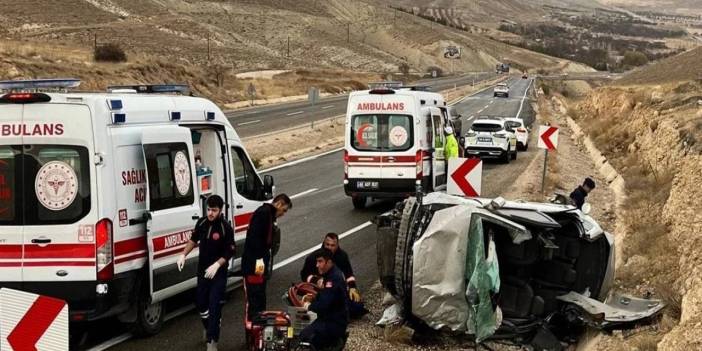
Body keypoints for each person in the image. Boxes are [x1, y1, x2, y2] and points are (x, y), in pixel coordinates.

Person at [176, 195, 235, 351]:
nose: (210, 213)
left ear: (220, 210)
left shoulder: (225, 228)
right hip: (203, 271)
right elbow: (193, 240)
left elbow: (229, 251)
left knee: (214, 305)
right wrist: (183, 254)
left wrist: (217, 265)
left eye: (214, 210)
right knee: (201, 304)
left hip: (218, 273)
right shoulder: (201, 223)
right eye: (208, 209)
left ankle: (212, 341)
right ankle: (209, 326)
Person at [241, 194, 292, 321]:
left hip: (259, 263)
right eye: (284, 210)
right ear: (279, 204)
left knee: (259, 294)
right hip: (254, 263)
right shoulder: (264, 214)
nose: (283, 214)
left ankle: (259, 321)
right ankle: (254, 325)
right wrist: (259, 264)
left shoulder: (268, 214)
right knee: (255, 296)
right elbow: (255, 240)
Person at [300, 233, 367, 318]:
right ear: (324, 244)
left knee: (357, 307)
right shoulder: (313, 258)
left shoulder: (342, 256)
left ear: (337, 245)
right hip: (318, 290)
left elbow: (349, 274)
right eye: (327, 244)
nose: (329, 247)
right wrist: (316, 280)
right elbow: (304, 274)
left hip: (335, 288)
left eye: (332, 245)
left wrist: (352, 287)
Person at [300, 248, 349, 350]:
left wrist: (309, 306)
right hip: (331, 318)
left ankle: (333, 344)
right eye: (317, 261)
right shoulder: (330, 274)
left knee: (305, 337)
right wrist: (314, 298)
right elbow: (326, 296)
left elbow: (324, 304)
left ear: (329, 262)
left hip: (334, 322)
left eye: (320, 261)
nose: (317, 265)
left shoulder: (333, 278)